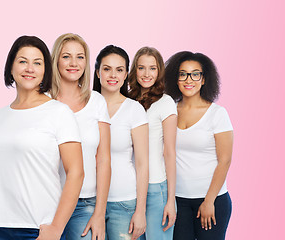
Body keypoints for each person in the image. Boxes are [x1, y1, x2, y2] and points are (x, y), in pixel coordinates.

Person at [0, 35, 84, 240]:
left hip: (37, 227)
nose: (30, 68)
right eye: (22, 61)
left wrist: (56, 228)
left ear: (45, 70)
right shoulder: (0, 115)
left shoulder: (59, 112)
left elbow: (76, 173)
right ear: (11, 67)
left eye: (37, 63)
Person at [164, 51, 233, 240]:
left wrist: (209, 200)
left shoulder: (217, 114)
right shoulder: (169, 111)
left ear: (203, 80)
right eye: (183, 74)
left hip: (212, 200)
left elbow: (225, 160)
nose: (189, 79)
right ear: (175, 79)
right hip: (177, 200)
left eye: (195, 74)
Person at [50, 33, 111, 240]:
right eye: (66, 56)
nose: (74, 63)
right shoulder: (43, 101)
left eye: (80, 56)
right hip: (48, 204)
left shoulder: (97, 101)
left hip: (86, 203)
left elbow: (103, 159)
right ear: (56, 59)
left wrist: (99, 214)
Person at [93, 45, 149, 240]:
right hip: (88, 203)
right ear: (97, 72)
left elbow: (142, 164)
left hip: (124, 203)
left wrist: (140, 211)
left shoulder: (134, 110)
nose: (112, 75)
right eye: (107, 68)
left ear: (126, 74)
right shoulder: (86, 107)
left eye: (119, 70)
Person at [129, 47, 177, 239]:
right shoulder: (128, 101)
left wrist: (170, 200)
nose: (146, 74)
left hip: (156, 188)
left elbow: (170, 152)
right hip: (130, 188)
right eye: (141, 68)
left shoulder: (165, 103)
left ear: (159, 72)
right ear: (134, 70)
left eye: (152, 68)